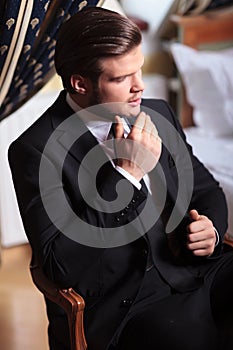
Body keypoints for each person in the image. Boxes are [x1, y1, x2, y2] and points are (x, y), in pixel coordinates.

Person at [8, 6, 233, 350]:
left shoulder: (158, 112)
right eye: (121, 78)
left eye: (139, 70)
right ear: (80, 84)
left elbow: (205, 189)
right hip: (128, 304)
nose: (139, 86)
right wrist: (126, 174)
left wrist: (212, 230)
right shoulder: (34, 150)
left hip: (196, 270)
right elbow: (59, 266)